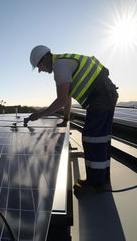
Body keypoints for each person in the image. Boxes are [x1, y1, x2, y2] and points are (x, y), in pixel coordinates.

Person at [28, 45, 118, 195]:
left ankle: (95, 184)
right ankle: (103, 177)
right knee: (102, 139)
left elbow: (61, 100)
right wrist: (65, 118)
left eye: (39, 66)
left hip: (100, 98)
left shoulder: (59, 66)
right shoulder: (63, 62)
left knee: (92, 139)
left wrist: (40, 114)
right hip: (107, 95)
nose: (40, 70)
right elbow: (68, 98)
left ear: (45, 58)